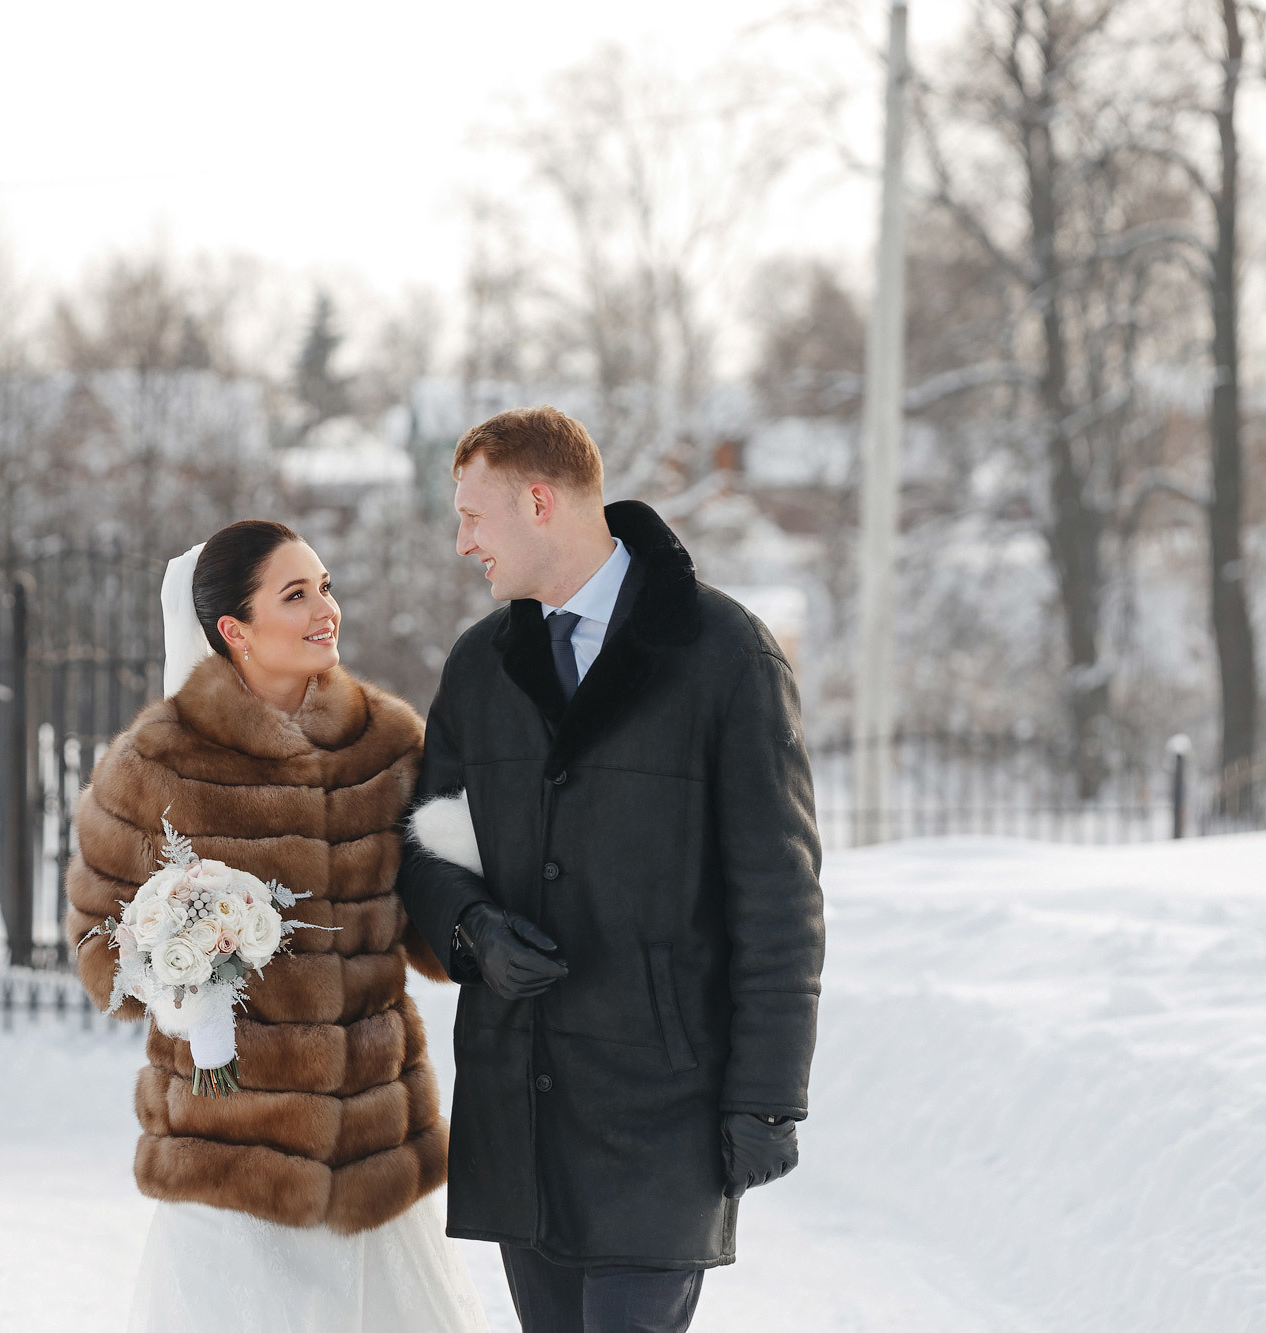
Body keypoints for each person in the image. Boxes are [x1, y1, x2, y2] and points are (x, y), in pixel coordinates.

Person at [396, 407, 824, 1333]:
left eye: (473, 514)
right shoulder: (480, 665)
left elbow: (780, 892)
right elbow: (426, 837)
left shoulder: (723, 655)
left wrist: (768, 1094)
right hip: (524, 1103)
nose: (462, 540)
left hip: (663, 1104)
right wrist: (474, 930)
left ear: (539, 502)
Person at [64, 519, 490, 1333]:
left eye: (325, 586)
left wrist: (473, 875)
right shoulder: (155, 761)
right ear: (235, 629)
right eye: (296, 594)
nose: (325, 607)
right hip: (230, 1162)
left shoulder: (389, 742)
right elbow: (98, 948)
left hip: (372, 1166)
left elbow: (433, 935)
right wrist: (181, 977)